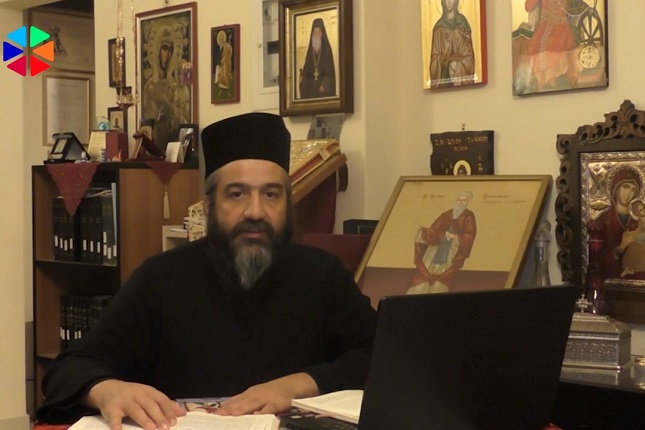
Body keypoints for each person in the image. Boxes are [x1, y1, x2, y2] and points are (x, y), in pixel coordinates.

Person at [37, 113, 377, 430]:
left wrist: (299, 384)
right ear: (210, 205)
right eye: (237, 194)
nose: (255, 211)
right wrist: (108, 390)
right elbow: (69, 369)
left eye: (271, 194)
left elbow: (379, 354)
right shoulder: (160, 279)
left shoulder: (321, 274)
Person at [407, 191, 477, 294]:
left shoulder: (469, 216)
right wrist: (423, 230)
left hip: (452, 251)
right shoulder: (446, 215)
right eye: (459, 200)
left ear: (468, 201)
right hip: (435, 249)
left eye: (464, 200)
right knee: (424, 272)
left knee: (442, 279)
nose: (461, 203)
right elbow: (434, 232)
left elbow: (470, 235)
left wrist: (455, 237)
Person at [594, 167, 642, 280]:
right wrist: (620, 247)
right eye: (625, 187)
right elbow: (596, 259)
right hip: (609, 282)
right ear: (616, 189)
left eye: (633, 190)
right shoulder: (603, 220)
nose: (628, 193)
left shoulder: (638, 221)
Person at [429, 0, 475, 88]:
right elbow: (433, 64)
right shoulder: (438, 29)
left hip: (460, 77)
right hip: (444, 81)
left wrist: (457, 64)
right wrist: (443, 56)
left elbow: (469, 58)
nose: (449, 2)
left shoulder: (463, 25)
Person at [299, 18, 336, 99]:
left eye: (318, 32)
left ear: (322, 34)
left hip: (323, 91)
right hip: (312, 91)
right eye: (314, 32)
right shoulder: (310, 52)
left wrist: (325, 84)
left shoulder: (327, 50)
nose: (316, 35)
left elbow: (330, 72)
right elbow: (307, 70)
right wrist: (302, 77)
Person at [621, 199, 645, 277]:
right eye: (641, 210)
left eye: (643, 208)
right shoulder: (642, 219)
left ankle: (629, 269)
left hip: (641, 237)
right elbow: (641, 229)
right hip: (642, 238)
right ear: (637, 213)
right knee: (634, 252)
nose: (644, 211)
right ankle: (628, 268)